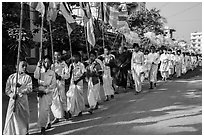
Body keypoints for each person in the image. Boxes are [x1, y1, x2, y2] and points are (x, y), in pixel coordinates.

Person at [3, 60, 32, 135]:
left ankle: (23, 132)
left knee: (23, 117)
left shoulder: (28, 77)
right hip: (13, 100)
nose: (24, 67)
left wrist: (21, 87)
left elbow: (29, 89)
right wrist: (12, 95)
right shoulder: (12, 77)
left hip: (23, 100)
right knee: (11, 117)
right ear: (17, 66)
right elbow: (7, 89)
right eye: (22, 66)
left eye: (26, 66)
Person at [34, 55, 57, 134]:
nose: (47, 64)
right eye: (45, 62)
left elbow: (53, 85)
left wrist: (46, 91)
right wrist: (38, 67)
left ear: (51, 63)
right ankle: (44, 125)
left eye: (49, 62)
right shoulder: (40, 71)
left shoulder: (52, 73)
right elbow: (36, 76)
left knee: (46, 109)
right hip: (40, 91)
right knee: (41, 109)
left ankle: (43, 126)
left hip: (48, 92)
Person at [51, 50, 69, 124]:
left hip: (61, 82)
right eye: (55, 55)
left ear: (61, 55)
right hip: (53, 84)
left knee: (62, 98)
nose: (57, 57)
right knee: (55, 100)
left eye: (58, 55)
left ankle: (66, 111)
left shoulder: (64, 64)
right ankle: (56, 116)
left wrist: (61, 77)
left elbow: (67, 75)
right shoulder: (52, 65)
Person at [66, 52, 86, 117]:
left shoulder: (81, 65)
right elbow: (68, 75)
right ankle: (70, 111)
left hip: (79, 83)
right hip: (72, 83)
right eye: (74, 57)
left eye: (76, 57)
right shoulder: (71, 65)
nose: (75, 58)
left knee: (78, 97)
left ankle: (79, 110)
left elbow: (84, 74)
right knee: (71, 97)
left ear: (79, 57)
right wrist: (71, 70)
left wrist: (78, 80)